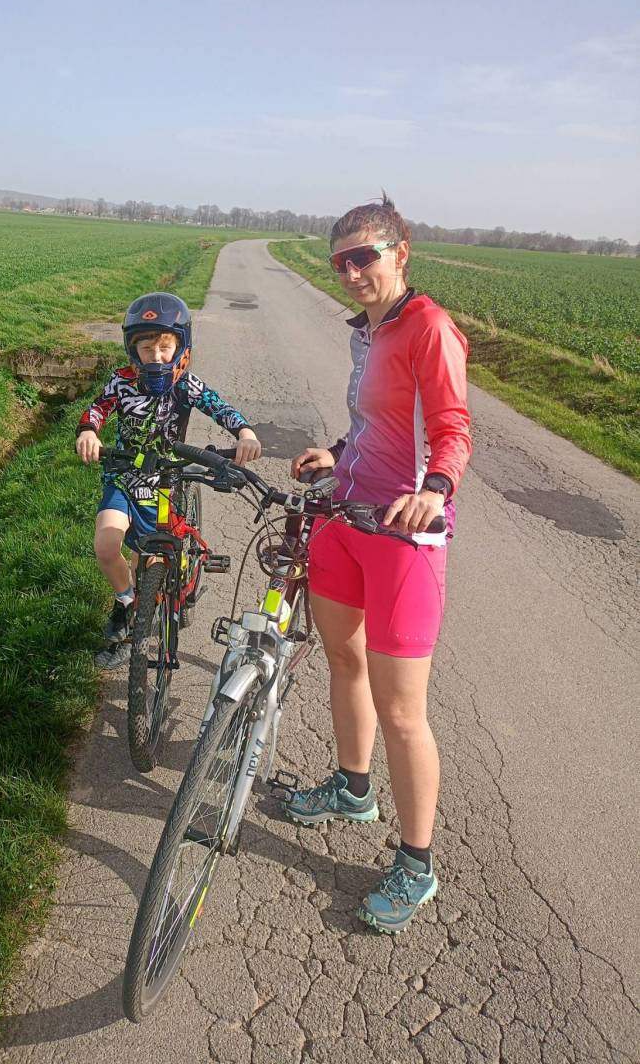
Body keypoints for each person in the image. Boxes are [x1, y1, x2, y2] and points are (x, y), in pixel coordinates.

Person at [286, 194, 472, 933]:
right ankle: (352, 788)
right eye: (340, 262)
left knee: (402, 710)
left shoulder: (428, 326)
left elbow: (452, 427)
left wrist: (434, 490)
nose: (351, 272)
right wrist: (334, 453)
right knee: (343, 661)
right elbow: (373, 422)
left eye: (364, 256)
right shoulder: (366, 331)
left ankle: (417, 865)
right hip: (344, 517)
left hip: (403, 536)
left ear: (401, 252)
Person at [76, 292, 261, 666]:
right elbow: (98, 408)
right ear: (133, 350)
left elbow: (218, 406)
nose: (156, 356)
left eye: (165, 347)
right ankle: (126, 601)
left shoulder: (185, 384)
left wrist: (244, 432)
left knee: (153, 555)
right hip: (125, 476)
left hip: (166, 481)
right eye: (147, 348)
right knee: (107, 545)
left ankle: (155, 606)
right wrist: (88, 432)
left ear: (181, 347)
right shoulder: (121, 381)